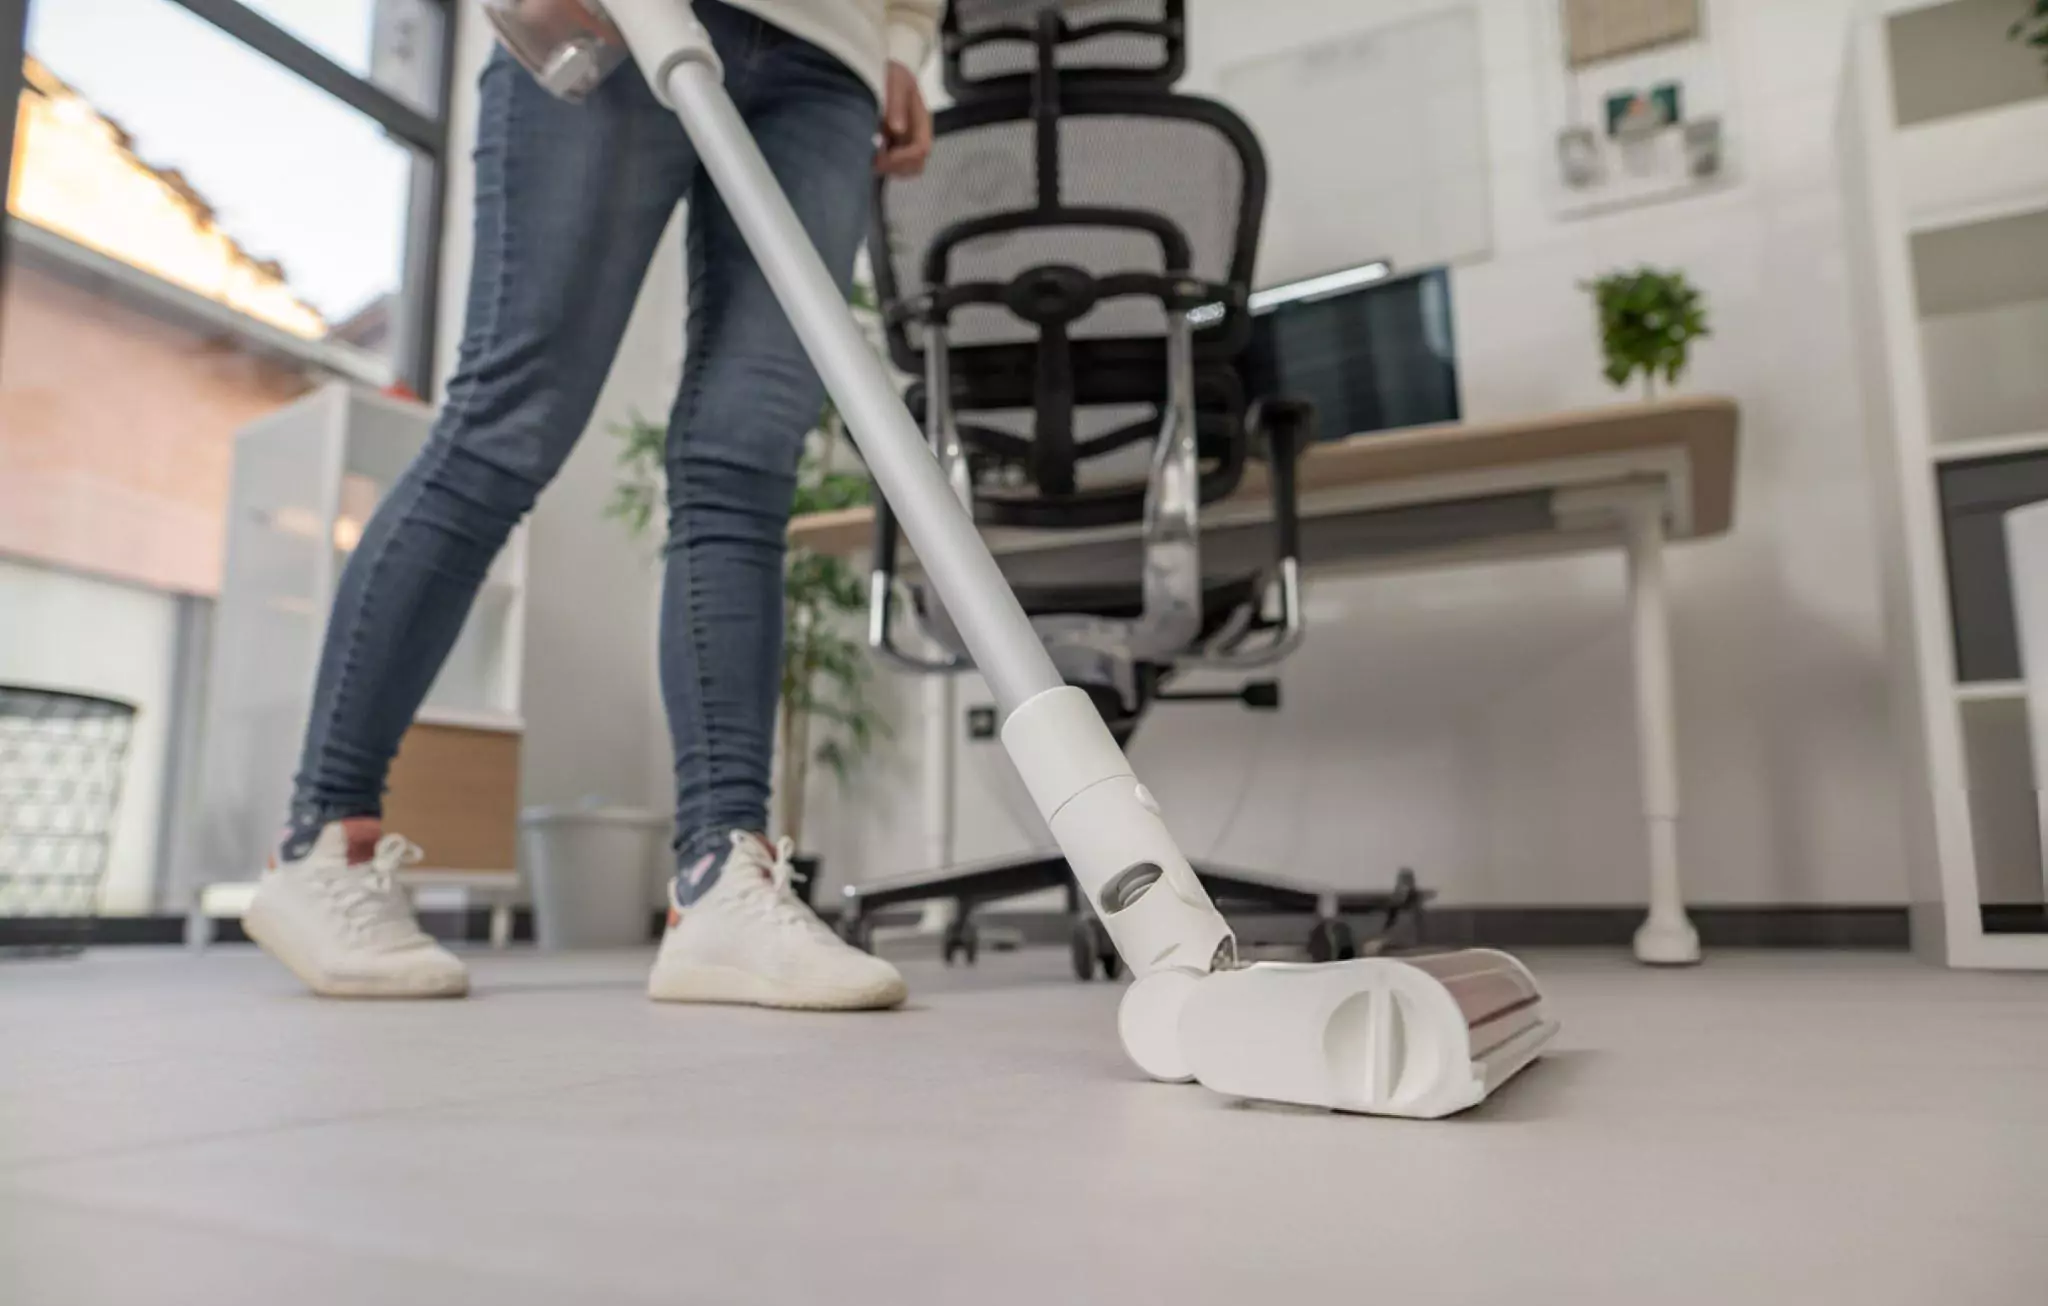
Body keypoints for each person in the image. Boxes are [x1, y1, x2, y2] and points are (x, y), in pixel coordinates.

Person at [241, 0, 942, 1009]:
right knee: (505, 428)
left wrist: (905, 44)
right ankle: (321, 843)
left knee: (746, 466)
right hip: (626, 14)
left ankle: (718, 885)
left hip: (832, 63)